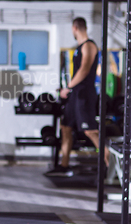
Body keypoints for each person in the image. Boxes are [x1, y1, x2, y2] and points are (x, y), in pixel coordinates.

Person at [45, 17, 108, 177]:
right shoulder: (79, 47)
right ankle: (64, 165)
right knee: (65, 128)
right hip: (75, 94)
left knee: (90, 131)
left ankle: (109, 163)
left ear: (75, 28)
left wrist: (68, 87)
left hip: (84, 95)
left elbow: (85, 70)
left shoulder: (89, 46)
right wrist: (69, 89)